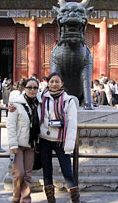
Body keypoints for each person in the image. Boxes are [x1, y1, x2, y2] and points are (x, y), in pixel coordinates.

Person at [39, 72, 80, 203]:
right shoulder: (40, 97)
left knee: (67, 171)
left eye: (57, 81)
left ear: (62, 83)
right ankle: (50, 200)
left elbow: (72, 123)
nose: (54, 84)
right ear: (47, 82)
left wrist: (69, 145)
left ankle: (75, 200)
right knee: (47, 171)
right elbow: (25, 99)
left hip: (60, 141)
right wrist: (12, 106)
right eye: (52, 81)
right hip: (44, 139)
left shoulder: (69, 100)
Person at [6, 78, 40, 203]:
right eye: (29, 87)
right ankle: (16, 198)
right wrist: (13, 144)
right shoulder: (15, 104)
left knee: (27, 175)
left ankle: (25, 200)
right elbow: (10, 126)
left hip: (31, 144)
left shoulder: (39, 103)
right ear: (24, 88)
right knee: (18, 173)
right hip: (18, 145)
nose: (32, 90)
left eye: (35, 87)